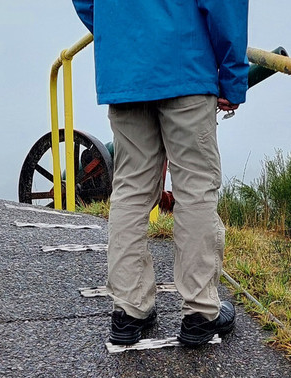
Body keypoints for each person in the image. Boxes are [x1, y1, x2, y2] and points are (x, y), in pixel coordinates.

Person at [71, 0, 249, 346]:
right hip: (186, 64)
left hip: (125, 70)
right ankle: (200, 312)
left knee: (130, 189)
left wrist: (121, 35)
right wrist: (233, 79)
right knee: (195, 189)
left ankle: (129, 310)